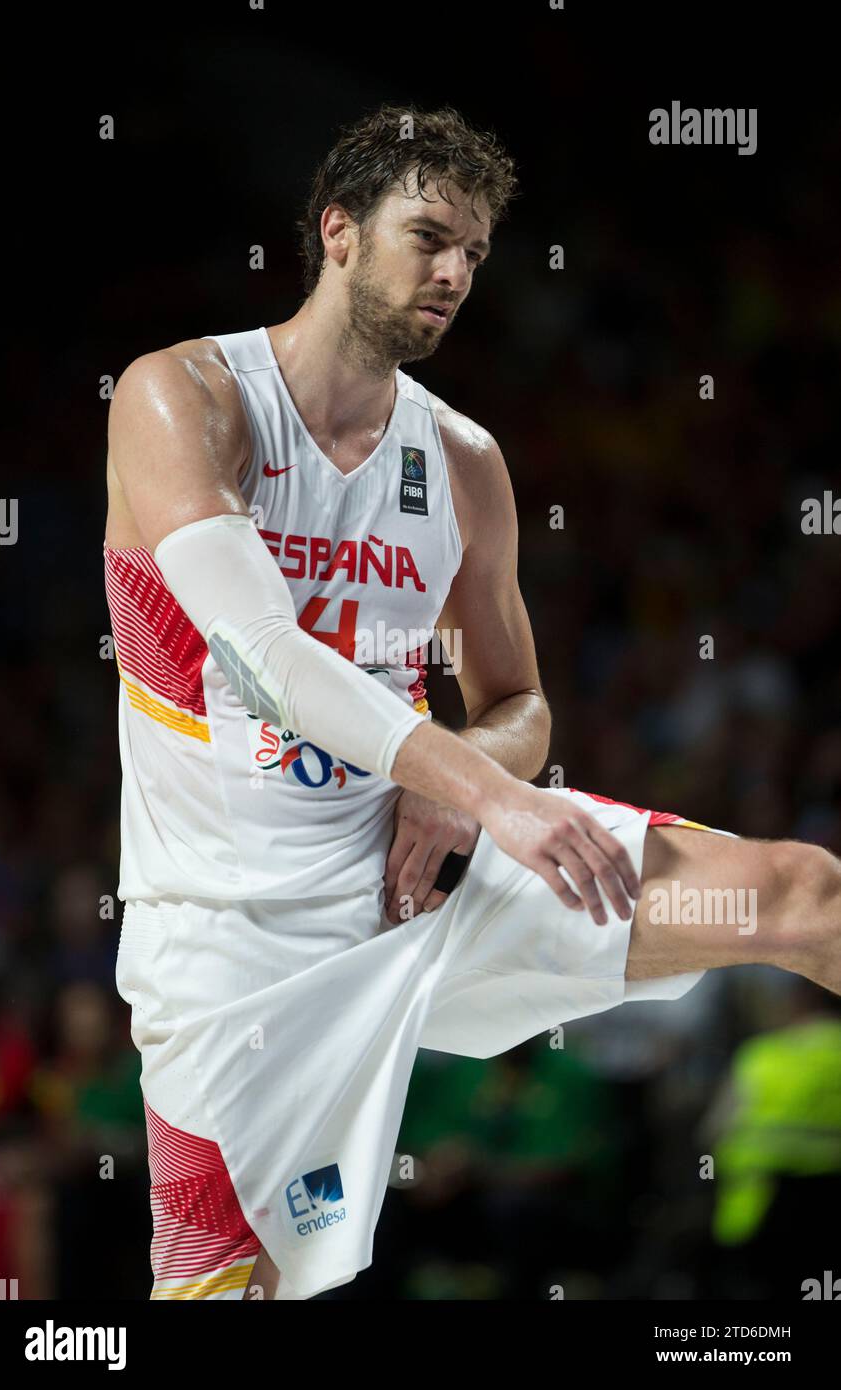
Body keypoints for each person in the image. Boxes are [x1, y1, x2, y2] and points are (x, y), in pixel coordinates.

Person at [103, 104, 841, 1300]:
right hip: (233, 946)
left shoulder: (458, 460)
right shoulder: (184, 397)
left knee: (802, 893)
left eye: (475, 254)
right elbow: (259, 654)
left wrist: (461, 781)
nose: (452, 272)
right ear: (337, 230)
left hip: (428, 889)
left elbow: (517, 701)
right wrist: (478, 786)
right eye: (428, 235)